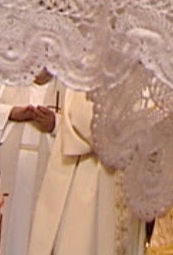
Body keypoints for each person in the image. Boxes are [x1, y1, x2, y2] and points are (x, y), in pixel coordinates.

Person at [27, 87, 144, 254]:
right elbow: (82, 118)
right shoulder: (89, 69)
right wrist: (129, 133)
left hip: (125, 183)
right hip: (90, 177)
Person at [0, 69, 63, 255]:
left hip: (45, 182)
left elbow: (79, 128)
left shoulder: (69, 89)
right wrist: (11, 112)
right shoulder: (4, 75)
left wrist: (54, 123)